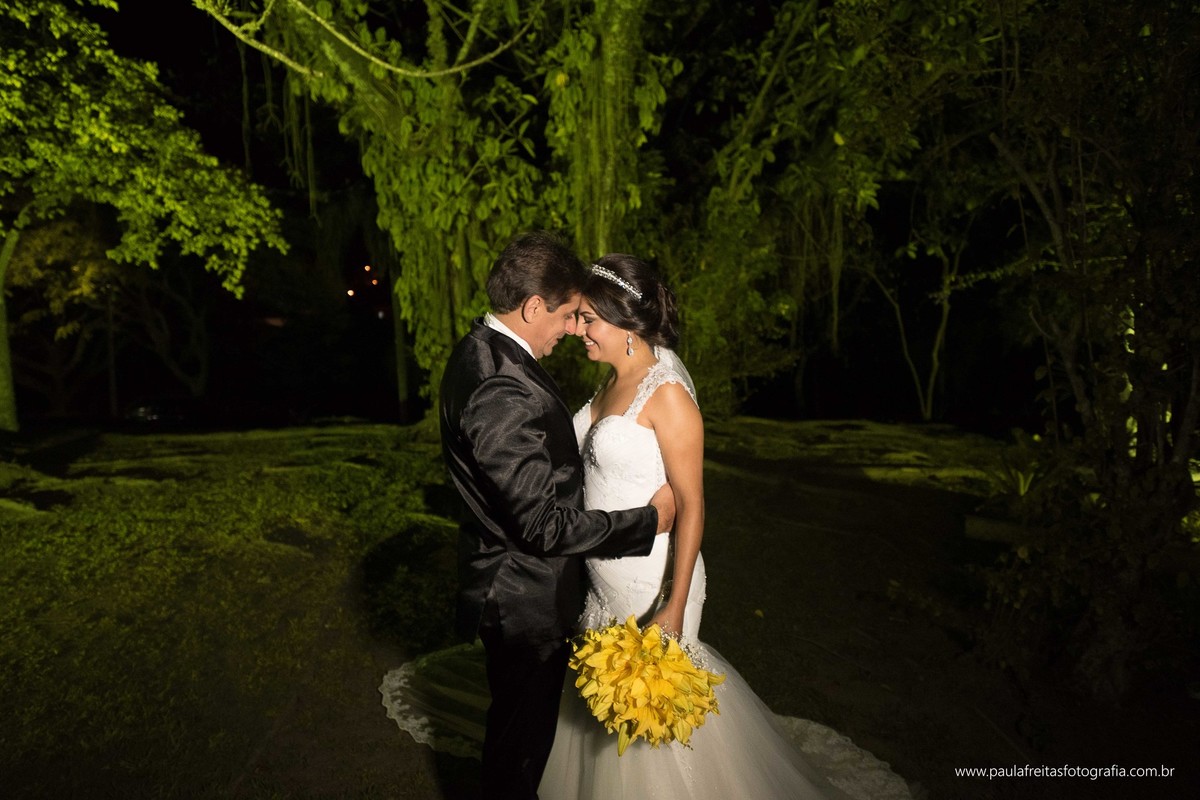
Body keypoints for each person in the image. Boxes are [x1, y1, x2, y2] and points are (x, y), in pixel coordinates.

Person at [536, 254, 914, 800]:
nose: (577, 329)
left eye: (589, 319)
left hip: (653, 585)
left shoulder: (667, 395)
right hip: (604, 588)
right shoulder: (609, 384)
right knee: (601, 721)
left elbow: (693, 506)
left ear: (626, 323)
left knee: (656, 729)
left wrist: (673, 601)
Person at [437, 232, 675, 800]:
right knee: (520, 753)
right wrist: (648, 521)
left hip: (514, 587)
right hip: (523, 600)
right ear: (533, 307)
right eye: (568, 314)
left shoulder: (481, 351)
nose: (573, 329)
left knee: (518, 735)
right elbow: (541, 525)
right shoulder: (499, 384)